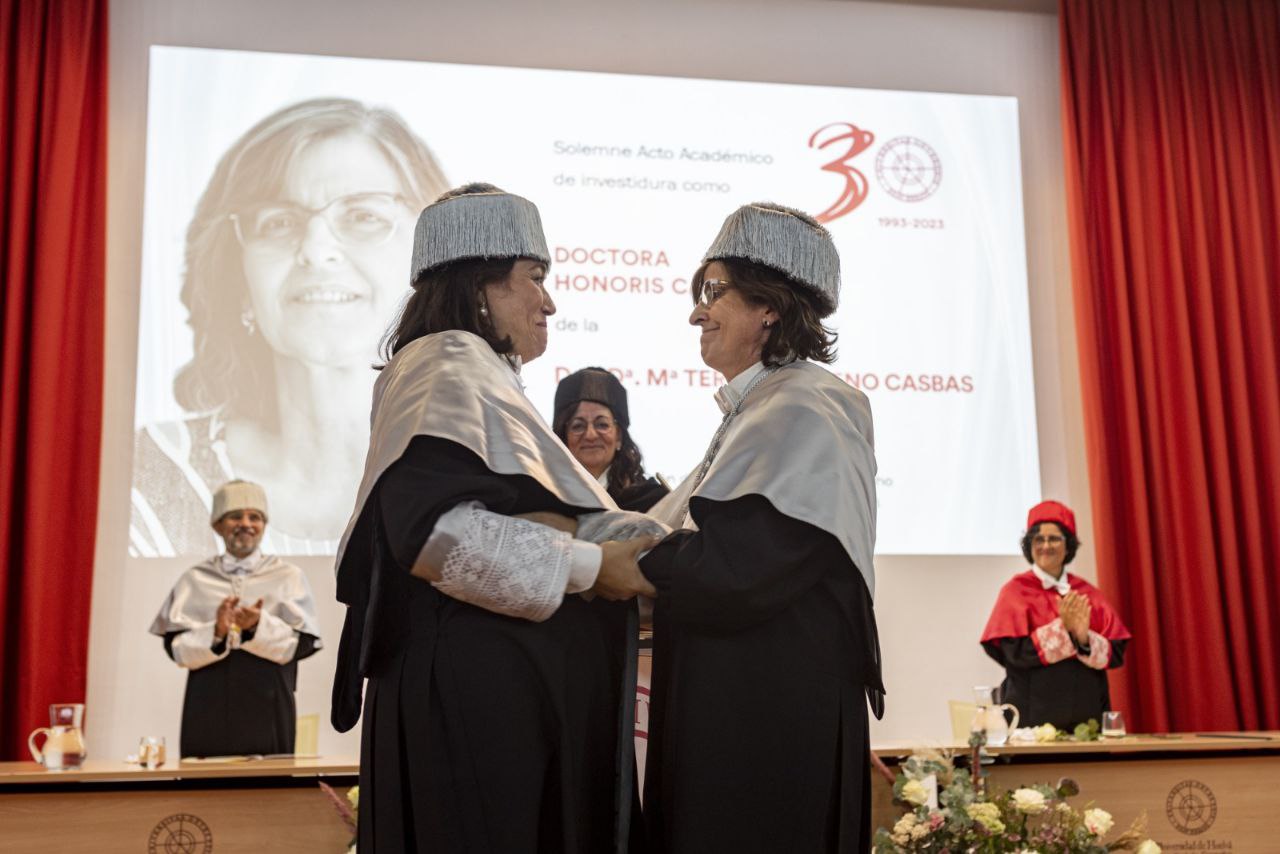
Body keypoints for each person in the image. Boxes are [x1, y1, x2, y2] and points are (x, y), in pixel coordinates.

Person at [331, 183, 663, 853]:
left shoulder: (467, 368)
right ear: (480, 283)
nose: (550, 300)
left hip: (483, 693)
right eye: (535, 278)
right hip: (472, 704)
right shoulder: (445, 365)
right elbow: (432, 536)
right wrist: (591, 565)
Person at [639, 203, 885, 853]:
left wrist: (621, 566)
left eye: (713, 291)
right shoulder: (764, 406)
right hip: (744, 708)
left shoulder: (804, 405)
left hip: (763, 728)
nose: (696, 312)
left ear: (769, 305)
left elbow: (735, 574)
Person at [130, 97, 450, 557]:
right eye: (279, 222)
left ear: (432, 261)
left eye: (364, 216)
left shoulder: (489, 470)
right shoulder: (148, 475)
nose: (317, 250)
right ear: (239, 279)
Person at [149, 480, 322, 758]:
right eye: (235, 516)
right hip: (206, 709)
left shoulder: (288, 576)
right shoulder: (194, 579)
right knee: (207, 794)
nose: (246, 523)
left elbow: (302, 645)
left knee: (269, 795)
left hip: (269, 707)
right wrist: (216, 632)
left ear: (264, 525)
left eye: (254, 517)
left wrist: (256, 627)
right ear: (218, 525)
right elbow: (176, 650)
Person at [980, 500, 1131, 730]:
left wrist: (1084, 640)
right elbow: (1011, 653)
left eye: (1054, 538)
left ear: (1068, 545)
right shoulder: (1015, 591)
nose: (1046, 545)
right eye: (1038, 539)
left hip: (1086, 718)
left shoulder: (1087, 593)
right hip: (1032, 719)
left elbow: (1116, 653)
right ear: (1029, 545)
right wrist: (1065, 633)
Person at [553, 367, 669, 513]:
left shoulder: (653, 502)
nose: (590, 435)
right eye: (578, 426)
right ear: (563, 437)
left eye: (602, 424)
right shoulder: (543, 499)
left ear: (619, 436)